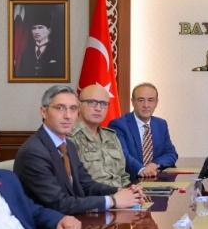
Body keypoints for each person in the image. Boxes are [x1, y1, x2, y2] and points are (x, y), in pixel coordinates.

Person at [14, 85, 144, 214]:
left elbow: (86, 184)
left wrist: (120, 192)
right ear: (44, 112)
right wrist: (112, 200)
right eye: (60, 108)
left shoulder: (67, 145)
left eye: (73, 108)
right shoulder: (34, 152)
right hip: (49, 224)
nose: (68, 116)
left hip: (74, 218)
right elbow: (59, 204)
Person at [109, 82, 179, 180]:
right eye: (140, 100)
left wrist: (154, 164)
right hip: (129, 181)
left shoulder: (161, 124)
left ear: (156, 102)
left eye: (150, 100)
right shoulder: (119, 125)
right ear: (133, 102)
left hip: (154, 180)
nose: (146, 105)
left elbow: (171, 154)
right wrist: (142, 169)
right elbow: (122, 155)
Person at [69, 84, 131, 188]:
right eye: (92, 102)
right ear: (79, 105)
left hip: (121, 194)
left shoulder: (111, 136)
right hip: (94, 197)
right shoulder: (69, 137)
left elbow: (123, 176)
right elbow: (73, 183)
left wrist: (131, 190)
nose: (98, 108)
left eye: (103, 104)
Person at [15, 8, 63, 78]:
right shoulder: (26, 52)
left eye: (40, 27)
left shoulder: (58, 51)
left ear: (49, 30)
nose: (36, 31)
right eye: (34, 28)